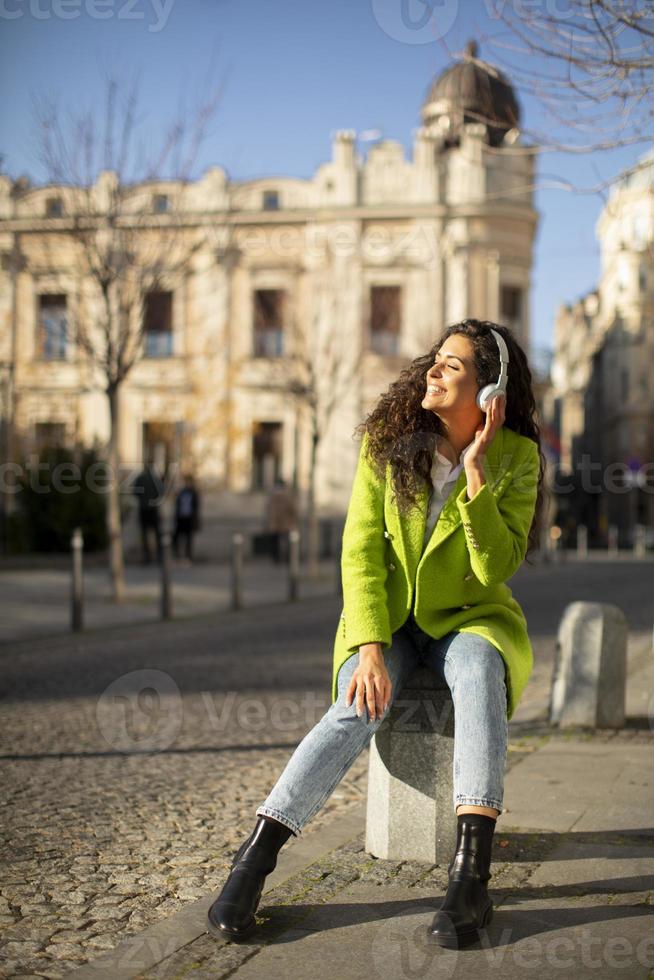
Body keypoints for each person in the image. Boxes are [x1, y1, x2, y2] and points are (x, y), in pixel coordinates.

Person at [207, 319, 544, 948]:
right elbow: (359, 553)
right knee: (356, 703)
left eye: (452, 367)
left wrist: (475, 473)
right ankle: (254, 860)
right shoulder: (388, 443)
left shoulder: (516, 459)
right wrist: (368, 651)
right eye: (434, 361)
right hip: (385, 620)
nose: (432, 372)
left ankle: (471, 878)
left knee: (477, 673)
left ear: (490, 391)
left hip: (470, 619)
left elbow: (496, 567)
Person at [132, 461, 165, 564]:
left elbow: (135, 492)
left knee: (145, 533)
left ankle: (147, 556)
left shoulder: (140, 478)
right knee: (157, 532)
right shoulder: (155, 478)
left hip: (143, 508)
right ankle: (160, 555)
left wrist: (143, 499)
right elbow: (161, 492)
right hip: (153, 508)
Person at [264, 478, 298, 563]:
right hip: (285, 523)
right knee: (287, 541)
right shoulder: (287, 495)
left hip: (275, 523)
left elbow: (268, 509)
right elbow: (293, 509)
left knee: (275, 542)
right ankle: (288, 558)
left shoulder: (272, 496)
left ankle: (276, 558)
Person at [173, 473, 201, 562]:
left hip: (189, 518)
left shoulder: (194, 492)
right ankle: (178, 556)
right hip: (181, 518)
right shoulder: (181, 492)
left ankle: (188, 556)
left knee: (189, 538)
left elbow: (196, 507)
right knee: (178, 537)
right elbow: (177, 504)